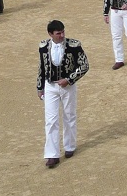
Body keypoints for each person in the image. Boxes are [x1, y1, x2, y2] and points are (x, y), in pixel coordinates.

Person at [37, 19, 90, 168]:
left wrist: (69, 79)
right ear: (50, 34)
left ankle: (69, 146)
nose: (61, 35)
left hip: (68, 86)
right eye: (58, 33)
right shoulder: (43, 46)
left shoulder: (74, 45)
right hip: (50, 86)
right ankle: (52, 155)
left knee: (69, 116)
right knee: (51, 120)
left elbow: (84, 65)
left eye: (63, 32)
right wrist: (40, 87)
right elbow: (42, 67)